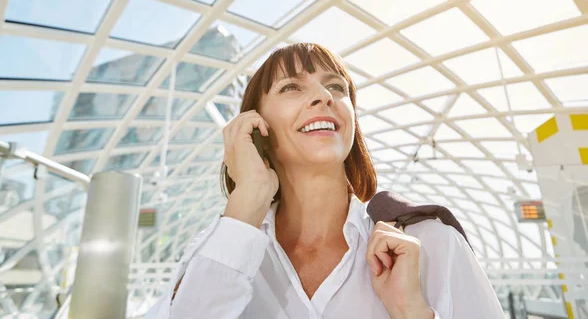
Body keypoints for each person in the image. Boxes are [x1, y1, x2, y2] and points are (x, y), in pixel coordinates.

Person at [145, 43, 505, 318]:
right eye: (291, 88)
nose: (324, 96)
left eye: (336, 87)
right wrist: (246, 202)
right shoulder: (216, 250)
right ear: (255, 125)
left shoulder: (431, 243)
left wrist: (413, 312)